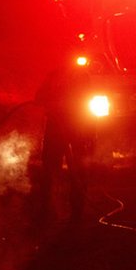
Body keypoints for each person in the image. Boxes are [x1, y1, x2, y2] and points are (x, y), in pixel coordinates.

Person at [34, 60, 95, 224]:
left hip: (76, 127)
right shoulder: (54, 76)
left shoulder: (82, 77)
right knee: (50, 170)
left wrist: (90, 131)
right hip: (58, 128)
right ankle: (49, 210)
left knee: (78, 170)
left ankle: (76, 213)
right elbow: (39, 98)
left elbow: (87, 103)